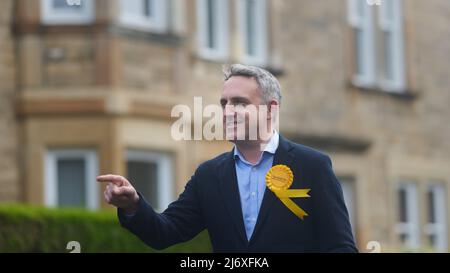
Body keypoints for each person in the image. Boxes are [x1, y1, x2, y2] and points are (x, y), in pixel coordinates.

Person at [97, 64, 358, 252]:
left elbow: (340, 247)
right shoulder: (209, 175)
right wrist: (132, 205)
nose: (228, 111)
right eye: (224, 103)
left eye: (240, 103)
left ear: (270, 110)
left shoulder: (312, 166)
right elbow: (165, 232)